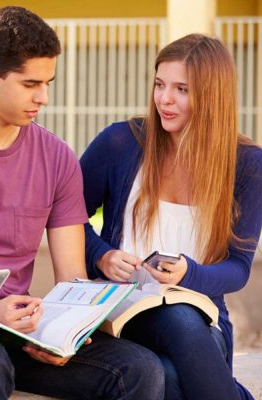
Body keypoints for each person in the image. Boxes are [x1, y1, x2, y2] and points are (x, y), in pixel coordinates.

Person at [0, 6, 164, 400]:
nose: (43, 97)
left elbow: (72, 278)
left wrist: (68, 332)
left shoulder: (56, 158)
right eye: (30, 84)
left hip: (23, 329)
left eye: (48, 83)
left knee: (140, 370)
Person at [80, 34, 262, 400]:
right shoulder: (121, 143)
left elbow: (239, 268)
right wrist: (101, 254)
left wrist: (187, 274)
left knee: (169, 365)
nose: (164, 99)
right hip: (120, 311)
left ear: (212, 96)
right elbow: (65, 218)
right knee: (175, 332)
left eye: (182, 89)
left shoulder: (247, 164)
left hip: (201, 323)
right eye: (159, 84)